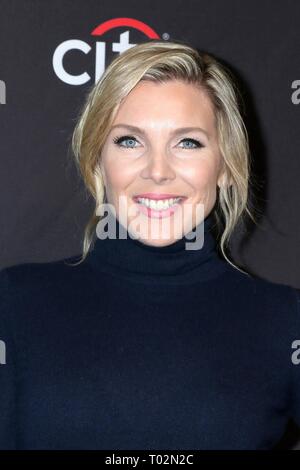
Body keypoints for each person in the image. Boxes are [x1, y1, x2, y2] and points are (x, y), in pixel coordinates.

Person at [0, 39, 299, 450]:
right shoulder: (13, 305)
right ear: (96, 161)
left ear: (226, 167)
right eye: (129, 141)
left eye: (188, 142)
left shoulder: (286, 323)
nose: (158, 171)